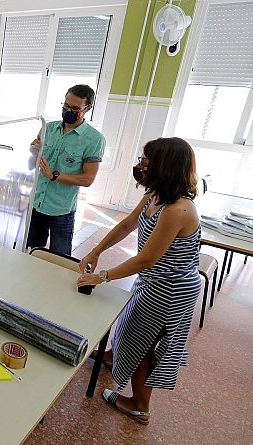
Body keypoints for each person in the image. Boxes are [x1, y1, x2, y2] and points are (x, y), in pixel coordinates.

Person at [76, 137, 201, 425]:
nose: (141, 166)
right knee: (131, 324)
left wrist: (103, 276)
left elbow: (146, 259)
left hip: (170, 288)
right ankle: (112, 355)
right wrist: (97, 250)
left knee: (144, 342)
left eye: (146, 162)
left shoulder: (177, 210)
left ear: (165, 167)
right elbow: (125, 224)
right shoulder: (155, 195)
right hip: (153, 280)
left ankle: (139, 404)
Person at [27, 84, 105, 256]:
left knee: (60, 259)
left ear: (88, 108)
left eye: (75, 108)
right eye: (66, 106)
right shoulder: (48, 128)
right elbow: (31, 165)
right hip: (37, 203)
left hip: (61, 210)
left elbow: (87, 179)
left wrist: (54, 175)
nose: (69, 111)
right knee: (31, 251)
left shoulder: (94, 139)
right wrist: (34, 152)